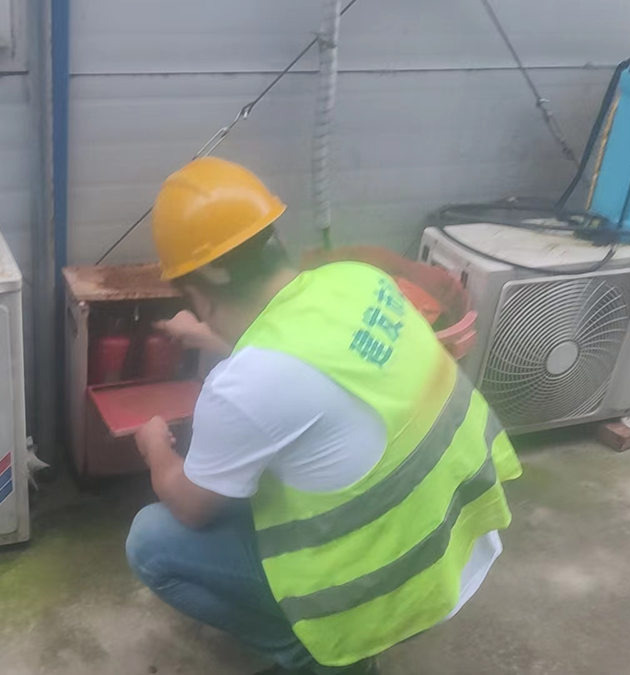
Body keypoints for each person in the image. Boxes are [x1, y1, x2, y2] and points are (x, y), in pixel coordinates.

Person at [125, 157, 523, 675]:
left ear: (198, 286)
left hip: (390, 582)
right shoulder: (354, 280)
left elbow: (190, 506)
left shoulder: (244, 386)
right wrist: (208, 335)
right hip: (455, 542)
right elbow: (305, 361)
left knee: (152, 541)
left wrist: (154, 445)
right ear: (271, 239)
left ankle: (317, 656)